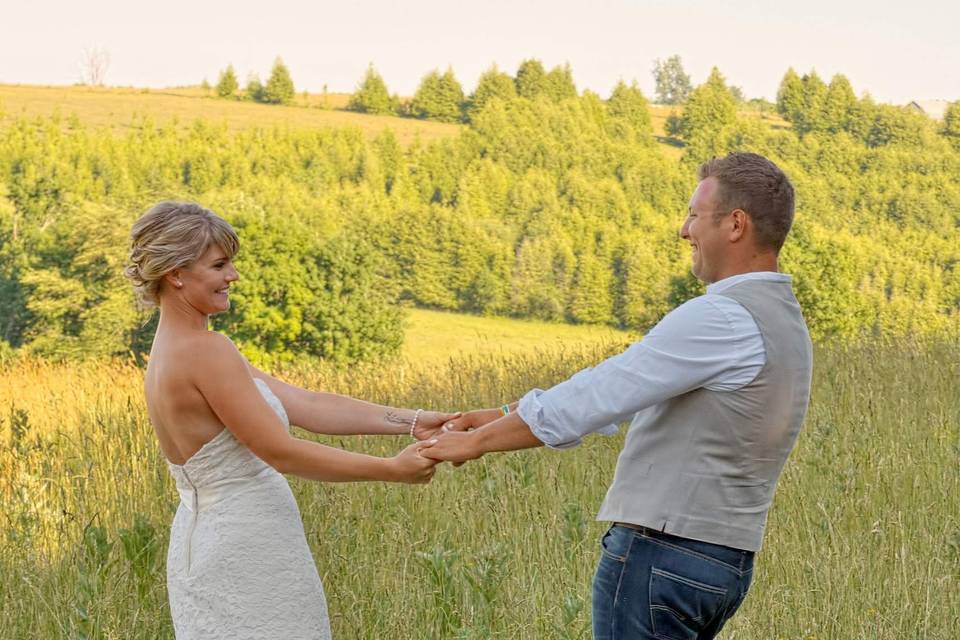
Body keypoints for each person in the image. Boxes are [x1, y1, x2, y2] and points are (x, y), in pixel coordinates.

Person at [421, 152, 813, 639]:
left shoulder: (722, 317)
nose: (684, 230)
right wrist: (500, 415)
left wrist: (475, 442)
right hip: (723, 561)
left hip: (664, 554)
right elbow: (630, 393)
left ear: (736, 224)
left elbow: (604, 391)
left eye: (694, 214)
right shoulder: (783, 321)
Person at [125, 201, 455, 640]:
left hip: (207, 539)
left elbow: (308, 404)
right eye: (220, 265)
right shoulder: (207, 351)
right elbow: (279, 450)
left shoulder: (172, 351)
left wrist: (413, 421)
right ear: (176, 274)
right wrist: (391, 469)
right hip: (247, 546)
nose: (233, 277)